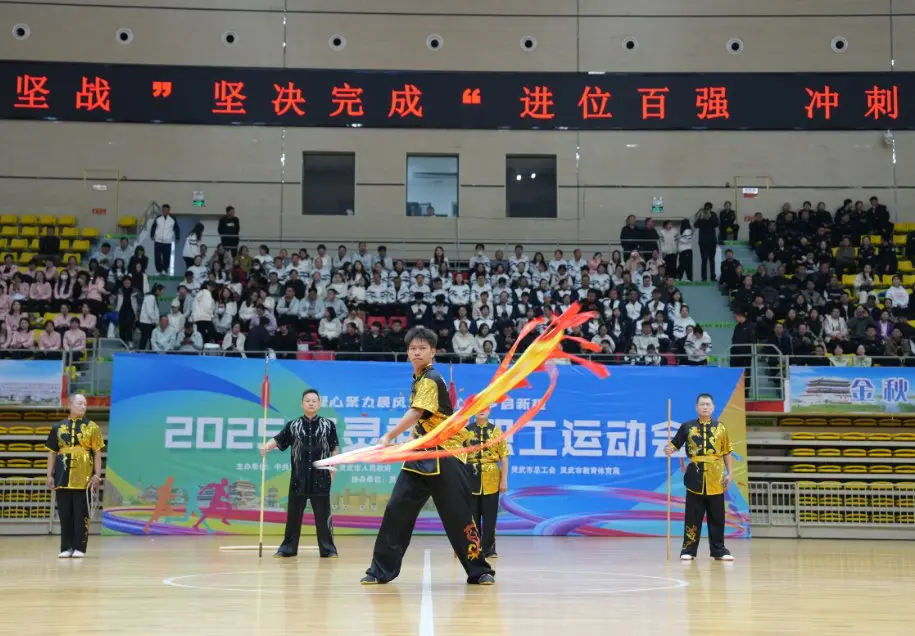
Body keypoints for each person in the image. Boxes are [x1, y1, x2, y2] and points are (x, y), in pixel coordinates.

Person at [361, 326, 495, 586]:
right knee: (396, 511)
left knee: (458, 516)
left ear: (433, 351)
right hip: (418, 458)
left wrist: (388, 436)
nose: (416, 352)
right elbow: (424, 422)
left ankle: (479, 571)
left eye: (422, 348)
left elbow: (416, 413)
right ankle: (379, 571)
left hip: (444, 455)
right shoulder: (419, 380)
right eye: (412, 348)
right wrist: (408, 442)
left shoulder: (431, 378)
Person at [260, 389, 340, 558]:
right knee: (293, 516)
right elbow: (278, 439)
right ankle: (287, 548)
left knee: (323, 516)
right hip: (299, 478)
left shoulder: (328, 425)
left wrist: (333, 470)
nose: (311, 403)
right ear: (302, 404)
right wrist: (266, 447)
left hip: (321, 477)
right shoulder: (293, 425)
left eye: (314, 401)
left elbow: (334, 449)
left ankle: (328, 550)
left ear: (319, 404)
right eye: (307, 401)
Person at [664, 393, 735, 562]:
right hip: (694, 476)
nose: (705, 407)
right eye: (702, 404)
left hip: (716, 477)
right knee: (692, 516)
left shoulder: (721, 428)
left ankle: (719, 550)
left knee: (717, 516)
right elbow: (674, 444)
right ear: (696, 407)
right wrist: (669, 450)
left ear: (713, 407)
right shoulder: (687, 426)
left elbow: (726, 452)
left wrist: (730, 473)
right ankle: (688, 550)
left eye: (708, 404)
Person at [45, 394, 104, 558]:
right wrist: (49, 474)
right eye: (79, 403)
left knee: (81, 514)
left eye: (85, 404)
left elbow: (97, 454)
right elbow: (52, 453)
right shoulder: (57, 427)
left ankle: (79, 547)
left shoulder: (93, 427)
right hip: (62, 476)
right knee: (65, 513)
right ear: (69, 404)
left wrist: (97, 475)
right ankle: (66, 547)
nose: (83, 406)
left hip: (84, 477)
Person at [463, 407, 509, 558]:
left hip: (491, 477)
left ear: (489, 411)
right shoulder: (465, 431)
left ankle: (489, 549)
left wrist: (504, 480)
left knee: (490, 516)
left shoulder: (496, 431)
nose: (481, 410)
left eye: (485, 408)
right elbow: (458, 457)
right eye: (478, 407)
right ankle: (472, 548)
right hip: (470, 475)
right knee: (471, 516)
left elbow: (504, 457)